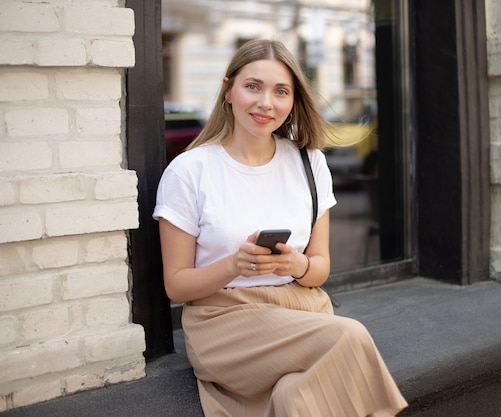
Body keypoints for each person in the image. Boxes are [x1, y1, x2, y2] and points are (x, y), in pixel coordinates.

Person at [153, 39, 407, 417]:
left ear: (292, 101)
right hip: (225, 321)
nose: (265, 103)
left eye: (281, 91)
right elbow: (175, 284)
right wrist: (233, 266)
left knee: (295, 397)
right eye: (252, 86)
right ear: (228, 90)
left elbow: (320, 266)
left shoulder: (309, 163)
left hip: (301, 310)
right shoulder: (190, 171)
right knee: (350, 335)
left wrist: (296, 265)